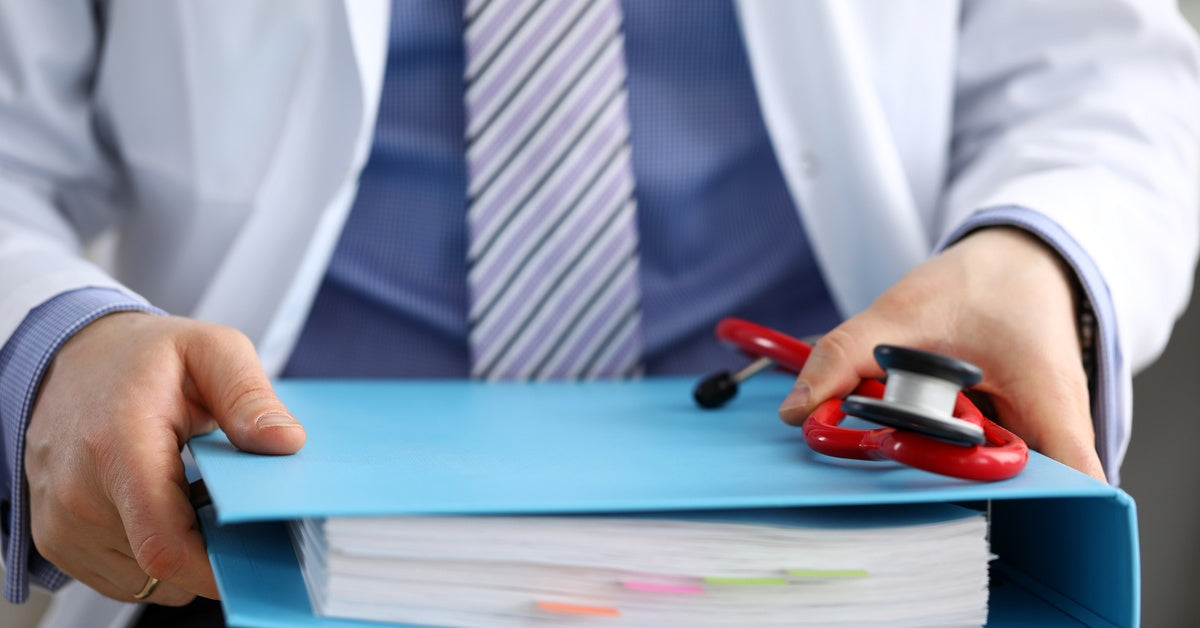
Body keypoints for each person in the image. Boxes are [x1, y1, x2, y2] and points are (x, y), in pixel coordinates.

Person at [1, 0, 1197, 622]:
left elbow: (1107, 70)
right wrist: (56, 340)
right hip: (258, 559)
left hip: (841, 564)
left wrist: (1035, 251)